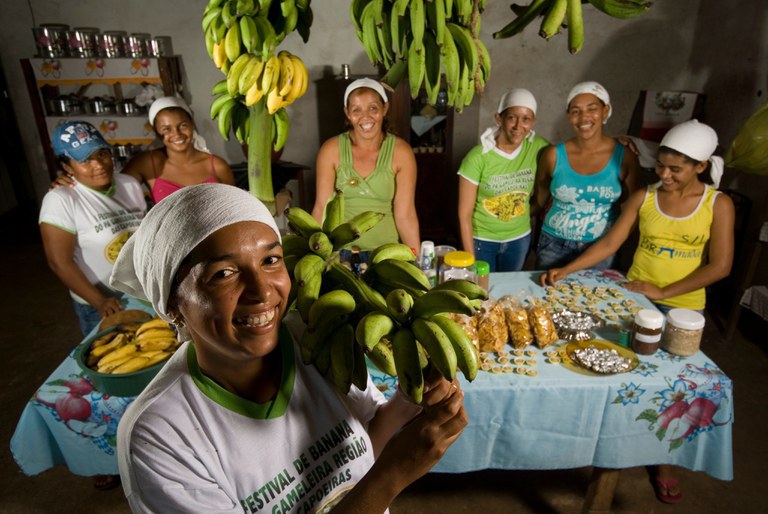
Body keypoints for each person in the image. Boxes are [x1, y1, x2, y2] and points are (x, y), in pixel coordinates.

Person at [109, 183, 466, 512]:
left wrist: (408, 402)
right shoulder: (160, 434)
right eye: (223, 273)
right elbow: (381, 475)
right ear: (171, 305)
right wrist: (392, 476)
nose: (262, 291)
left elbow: (363, 443)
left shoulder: (312, 338)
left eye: (270, 260)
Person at [540, 119, 735, 504]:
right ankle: (612, 447)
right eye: (660, 165)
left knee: (674, 388)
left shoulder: (718, 204)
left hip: (684, 310)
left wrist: (665, 290)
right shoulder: (645, 196)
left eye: (675, 169)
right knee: (626, 376)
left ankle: (663, 461)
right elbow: (612, 239)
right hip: (635, 298)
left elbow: (720, 266)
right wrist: (568, 268)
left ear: (700, 166)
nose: (664, 174)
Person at [39, 121, 147, 338]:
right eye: (85, 160)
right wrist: (100, 301)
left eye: (101, 154)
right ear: (68, 167)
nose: (98, 165)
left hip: (141, 293)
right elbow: (59, 263)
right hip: (102, 303)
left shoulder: (128, 184)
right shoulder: (60, 200)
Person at [533, 81, 641, 270]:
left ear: (605, 110)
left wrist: (621, 247)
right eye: (575, 111)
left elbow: (633, 211)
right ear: (568, 116)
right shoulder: (552, 155)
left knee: (595, 299)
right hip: (554, 245)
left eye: (592, 109)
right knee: (547, 297)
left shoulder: (624, 157)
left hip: (601, 248)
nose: (584, 117)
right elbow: (540, 200)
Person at [51, 96, 235, 203]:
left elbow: (235, 206)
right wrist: (72, 180)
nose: (177, 134)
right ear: (157, 131)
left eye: (183, 125)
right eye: (166, 129)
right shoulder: (148, 163)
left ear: (192, 124)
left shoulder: (216, 165)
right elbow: (112, 187)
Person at [312, 78, 420, 254]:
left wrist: (418, 262)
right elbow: (321, 208)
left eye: (373, 108)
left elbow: (405, 215)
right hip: (341, 251)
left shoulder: (401, 153)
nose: (365, 117)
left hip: (386, 252)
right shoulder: (331, 150)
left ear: (385, 108)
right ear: (347, 113)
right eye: (356, 110)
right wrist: (314, 256)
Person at [457, 89, 550, 272]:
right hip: (482, 240)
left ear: (533, 122)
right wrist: (470, 261)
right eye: (511, 117)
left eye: (526, 119)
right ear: (499, 118)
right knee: (481, 293)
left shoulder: (539, 147)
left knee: (509, 291)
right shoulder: (477, 157)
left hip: (519, 240)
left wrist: (620, 143)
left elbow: (570, 156)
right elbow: (464, 214)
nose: (518, 126)